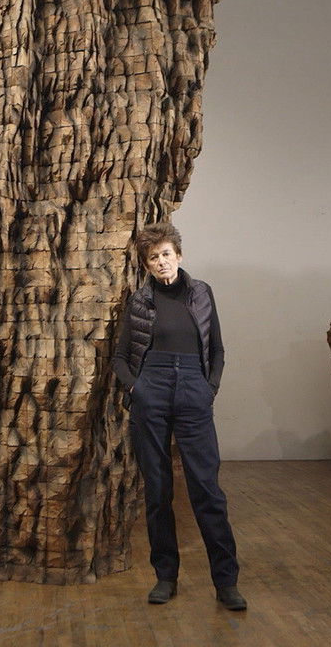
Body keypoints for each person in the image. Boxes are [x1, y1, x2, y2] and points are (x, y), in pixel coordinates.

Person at [112, 222, 245, 611]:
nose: (161, 262)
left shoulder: (201, 293)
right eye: (153, 257)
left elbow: (217, 348)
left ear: (179, 255)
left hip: (193, 389)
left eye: (166, 254)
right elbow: (120, 357)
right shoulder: (139, 302)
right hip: (150, 390)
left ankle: (226, 582)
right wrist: (136, 388)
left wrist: (209, 387)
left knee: (207, 490)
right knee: (158, 491)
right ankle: (165, 577)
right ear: (146, 264)